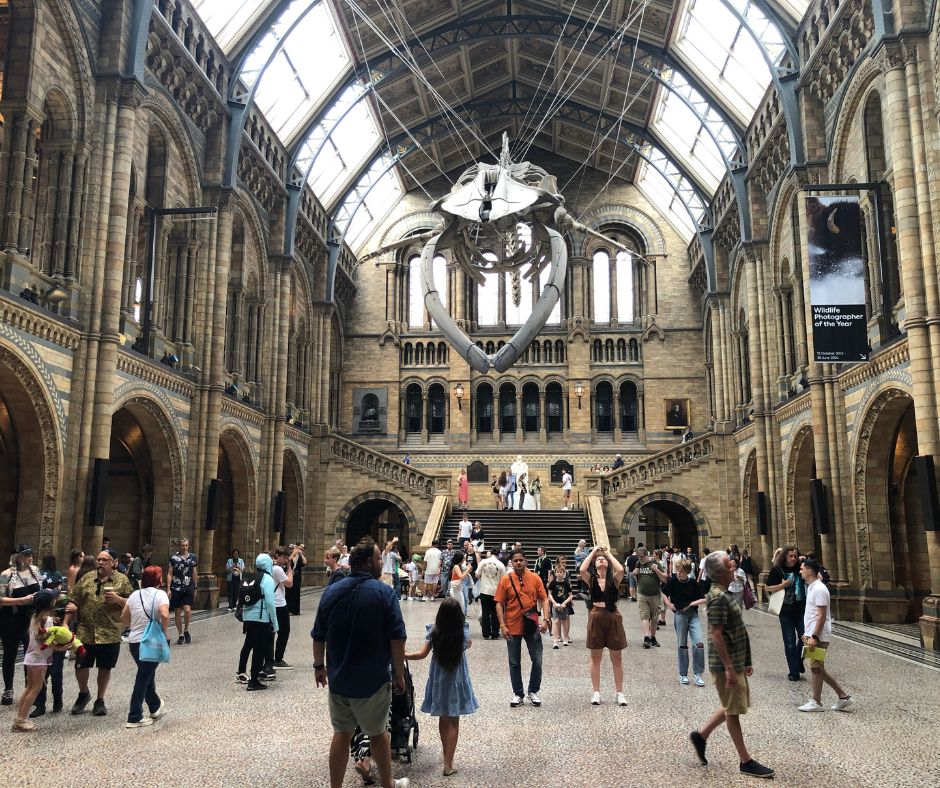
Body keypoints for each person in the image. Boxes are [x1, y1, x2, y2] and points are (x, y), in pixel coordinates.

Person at [311, 537, 409, 788]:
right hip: (372, 679)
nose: (380, 562)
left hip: (340, 678)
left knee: (341, 733)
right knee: (378, 734)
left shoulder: (332, 591)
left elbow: (318, 634)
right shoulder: (384, 593)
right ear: (368, 562)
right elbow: (397, 638)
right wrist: (399, 674)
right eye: (378, 558)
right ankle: (388, 784)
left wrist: (319, 667)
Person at [689, 551, 773, 779]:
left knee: (732, 704)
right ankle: (746, 761)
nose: (733, 565)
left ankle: (701, 735)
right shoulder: (717, 597)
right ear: (718, 572)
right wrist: (728, 668)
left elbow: (736, 630)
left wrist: (745, 661)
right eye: (728, 564)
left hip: (734, 660)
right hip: (725, 663)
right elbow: (716, 634)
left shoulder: (723, 593)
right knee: (733, 710)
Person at [406, 597, 479, 776]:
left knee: (443, 718)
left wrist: (403, 655)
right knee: (454, 721)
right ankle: (448, 763)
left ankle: (445, 752)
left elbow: (422, 654)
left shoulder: (434, 632)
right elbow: (468, 645)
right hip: (457, 680)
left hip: (439, 681)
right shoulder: (463, 633)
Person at [64, 550, 133, 716]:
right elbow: (73, 599)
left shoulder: (122, 580)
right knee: (81, 665)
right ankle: (83, 693)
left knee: (105, 667)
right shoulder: (87, 578)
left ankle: (100, 699)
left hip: (109, 632)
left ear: (113, 563)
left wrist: (118, 599)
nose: (100, 562)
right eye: (99, 559)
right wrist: (66, 623)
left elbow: (132, 603)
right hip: (85, 631)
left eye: (104, 560)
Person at [494, 548, 550, 707]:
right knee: (514, 661)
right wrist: (502, 625)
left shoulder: (535, 578)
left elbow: (544, 599)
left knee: (537, 659)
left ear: (526, 561)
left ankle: (533, 690)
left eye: (521, 560)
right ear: (511, 562)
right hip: (511, 625)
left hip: (531, 625)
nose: (518, 562)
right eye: (515, 560)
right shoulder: (506, 580)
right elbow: (499, 603)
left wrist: (546, 619)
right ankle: (518, 693)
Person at [797, 559, 854, 713]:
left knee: (815, 669)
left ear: (809, 571)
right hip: (814, 634)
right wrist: (807, 633)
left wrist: (814, 636)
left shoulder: (819, 590)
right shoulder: (812, 588)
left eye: (802, 569)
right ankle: (843, 697)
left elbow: (821, 616)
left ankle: (816, 701)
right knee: (819, 668)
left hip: (819, 636)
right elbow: (812, 614)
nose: (800, 571)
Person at [120, 565, 170, 727]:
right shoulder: (160, 594)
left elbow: (124, 617)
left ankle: (155, 706)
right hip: (151, 641)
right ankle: (134, 716)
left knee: (147, 673)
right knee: (143, 677)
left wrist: (134, 627)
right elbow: (164, 614)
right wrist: (164, 632)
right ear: (158, 579)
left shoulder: (135, 595)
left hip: (134, 642)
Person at [579, 546, 628, 706]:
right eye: (599, 560)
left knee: (617, 657)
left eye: (604, 560)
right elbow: (582, 569)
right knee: (595, 657)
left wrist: (607, 554)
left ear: (608, 564)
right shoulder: (591, 579)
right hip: (596, 615)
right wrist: (593, 553)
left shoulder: (614, 578)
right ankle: (596, 692)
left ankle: (619, 692)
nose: (601, 560)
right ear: (595, 563)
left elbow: (621, 569)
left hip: (612, 615)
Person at [11, 589, 64, 732]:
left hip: (30, 657)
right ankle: (21, 720)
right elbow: (48, 643)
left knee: (28, 687)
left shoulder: (35, 617)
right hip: (39, 659)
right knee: (35, 689)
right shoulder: (48, 621)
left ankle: (19, 718)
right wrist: (65, 646)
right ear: (51, 603)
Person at [0, 544, 42, 706]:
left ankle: (29, 687)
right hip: (11, 618)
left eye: (31, 554)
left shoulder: (34, 571)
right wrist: (21, 600)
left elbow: (41, 589)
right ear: (17, 557)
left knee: (30, 653)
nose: (30, 557)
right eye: (26, 555)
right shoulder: (6, 575)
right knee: (10, 653)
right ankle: (8, 689)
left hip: (31, 618)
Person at [236, 553, 278, 690]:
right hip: (261, 619)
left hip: (249, 619)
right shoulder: (268, 579)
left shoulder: (252, 577)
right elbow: (271, 603)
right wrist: (275, 623)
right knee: (259, 650)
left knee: (249, 644)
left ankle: (243, 671)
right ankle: (253, 681)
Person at [765, 545, 806, 681]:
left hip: (801, 610)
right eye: (790, 556)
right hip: (786, 611)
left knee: (804, 638)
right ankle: (794, 672)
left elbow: (818, 576)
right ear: (784, 557)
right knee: (789, 642)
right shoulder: (777, 570)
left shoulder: (801, 568)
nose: (793, 559)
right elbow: (768, 587)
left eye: (795, 556)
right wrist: (783, 585)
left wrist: (806, 562)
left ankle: (798, 660)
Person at [663, 559, 706, 686]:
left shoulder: (693, 583)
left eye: (681, 571)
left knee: (699, 643)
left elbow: (703, 599)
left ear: (687, 572)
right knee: (682, 644)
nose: (678, 573)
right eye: (678, 571)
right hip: (680, 615)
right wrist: (669, 604)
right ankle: (683, 674)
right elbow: (664, 592)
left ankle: (698, 674)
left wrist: (691, 604)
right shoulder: (673, 581)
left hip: (693, 615)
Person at [270, 545, 299, 670]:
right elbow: (290, 583)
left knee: (273, 631)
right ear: (278, 556)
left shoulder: (271, 566)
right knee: (284, 631)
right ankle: (278, 659)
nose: (287, 560)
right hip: (279, 604)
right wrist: (289, 568)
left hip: (273, 603)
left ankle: (270, 659)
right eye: (285, 558)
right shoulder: (277, 569)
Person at [633, 547, 667, 648]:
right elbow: (635, 571)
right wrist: (635, 572)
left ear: (646, 555)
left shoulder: (656, 563)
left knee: (654, 617)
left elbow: (664, 578)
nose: (640, 560)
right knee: (644, 616)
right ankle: (646, 638)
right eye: (638, 558)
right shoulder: (639, 563)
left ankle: (653, 637)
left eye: (642, 558)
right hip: (642, 594)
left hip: (655, 595)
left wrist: (656, 570)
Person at [166, 537, 197, 645]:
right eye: (182, 545)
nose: (184, 547)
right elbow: (170, 573)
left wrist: (196, 587)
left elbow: (194, 573)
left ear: (188, 546)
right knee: (177, 611)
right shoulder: (173, 558)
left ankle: (186, 629)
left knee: (187, 610)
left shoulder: (193, 557)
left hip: (188, 586)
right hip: (176, 587)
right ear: (180, 545)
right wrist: (168, 588)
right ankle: (180, 634)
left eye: (186, 545)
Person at [475, 549, 507, 639]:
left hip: (484, 590)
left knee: (485, 612)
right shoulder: (500, 564)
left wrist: (484, 577)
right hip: (496, 591)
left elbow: (477, 574)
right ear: (498, 554)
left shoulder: (484, 562)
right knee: (495, 612)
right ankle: (495, 632)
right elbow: (504, 579)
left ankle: (485, 633)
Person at [547, 557, 573, 648]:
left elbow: (571, 594)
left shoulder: (566, 583)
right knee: (556, 621)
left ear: (563, 573)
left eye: (561, 572)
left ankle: (565, 638)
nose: (559, 573)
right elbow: (549, 593)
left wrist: (566, 602)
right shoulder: (553, 583)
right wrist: (553, 602)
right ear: (555, 573)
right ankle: (555, 639)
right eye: (557, 572)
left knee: (565, 621)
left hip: (564, 605)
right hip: (555, 605)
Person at [287, 544, 307, 615]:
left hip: (297, 575)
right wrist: (293, 554)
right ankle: (289, 610)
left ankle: (296, 610)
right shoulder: (290, 555)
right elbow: (288, 561)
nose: (296, 550)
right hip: (290, 574)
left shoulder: (299, 556)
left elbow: (304, 562)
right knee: (289, 592)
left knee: (296, 592)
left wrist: (301, 554)